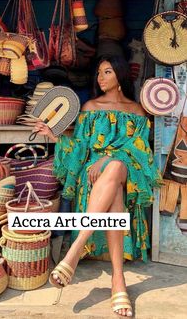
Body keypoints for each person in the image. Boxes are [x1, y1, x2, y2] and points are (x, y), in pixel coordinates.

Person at [33, 55, 162, 317]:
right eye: (99, 73)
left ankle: (76, 247)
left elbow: (140, 149)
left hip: (127, 167)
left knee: (115, 166)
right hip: (94, 174)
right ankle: (118, 281)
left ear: (120, 75)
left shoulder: (138, 111)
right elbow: (80, 146)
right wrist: (55, 135)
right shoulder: (90, 106)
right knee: (113, 189)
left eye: (107, 72)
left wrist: (108, 157)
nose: (100, 78)